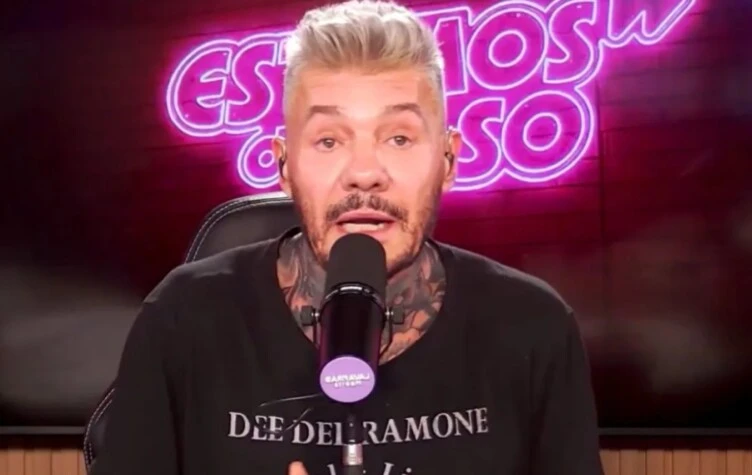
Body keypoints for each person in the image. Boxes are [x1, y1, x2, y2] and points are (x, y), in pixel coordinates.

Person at [90, 1, 605, 474]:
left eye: (399, 137)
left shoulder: (534, 326)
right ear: (283, 165)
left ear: (448, 160)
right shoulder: (183, 318)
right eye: (328, 140)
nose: (364, 173)